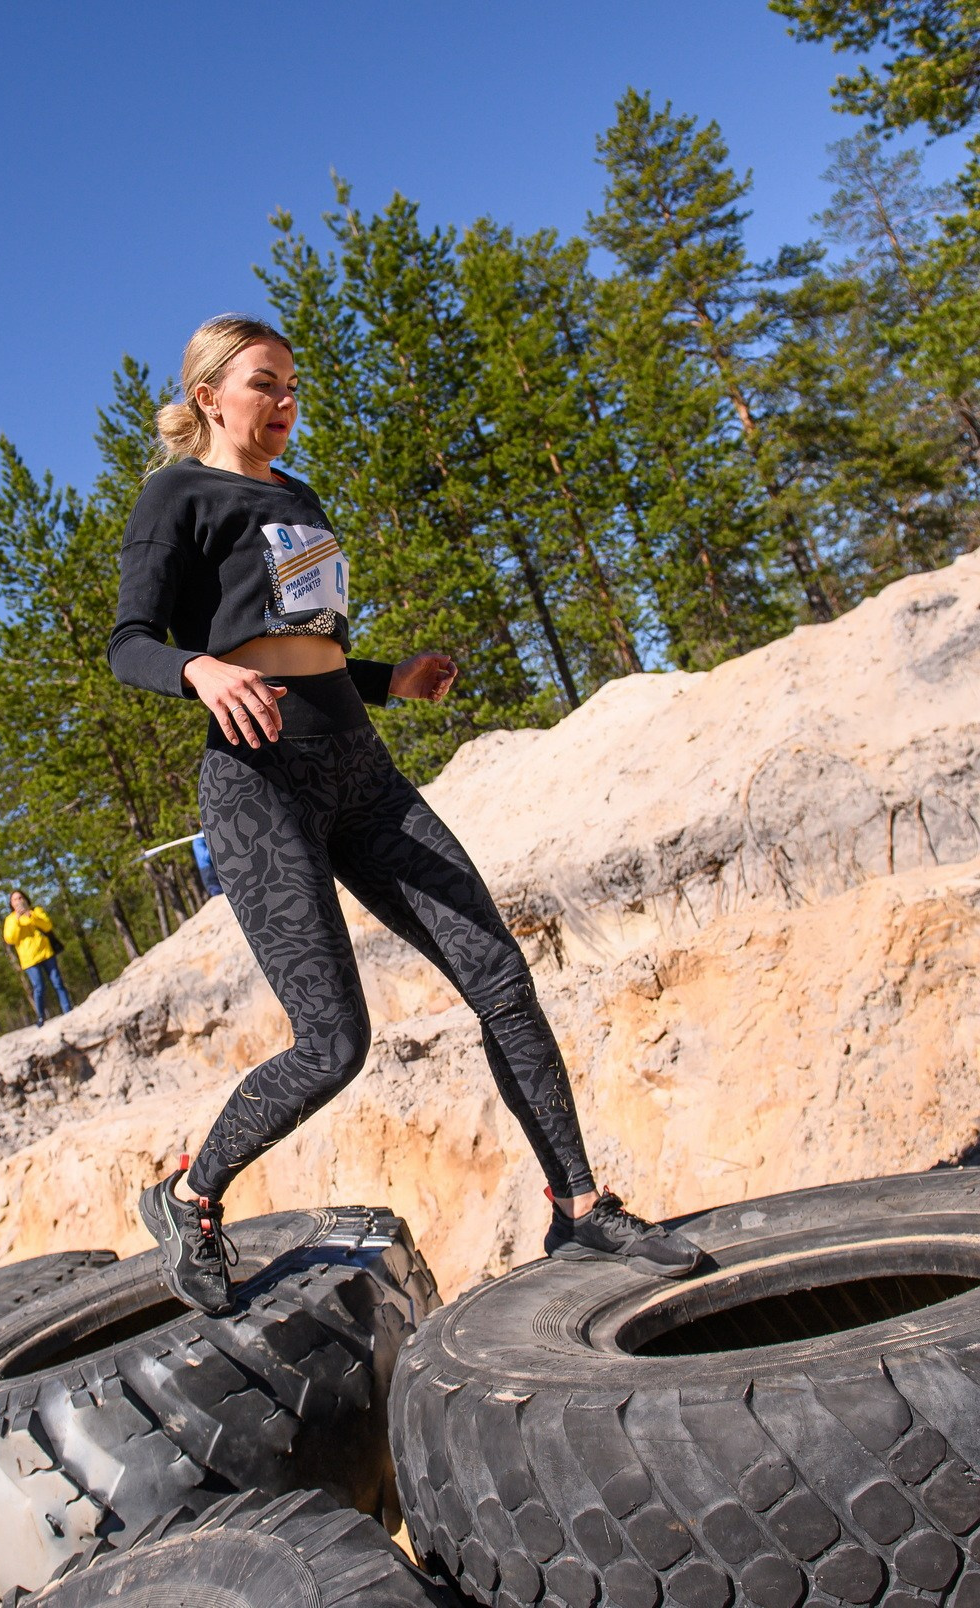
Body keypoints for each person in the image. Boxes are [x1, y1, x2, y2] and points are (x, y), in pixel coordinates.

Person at [108, 314, 704, 1315]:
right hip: (259, 787)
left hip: (361, 770)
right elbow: (129, 642)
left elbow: (306, 646)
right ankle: (188, 1195)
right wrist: (198, 670)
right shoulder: (177, 494)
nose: (285, 402)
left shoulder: (297, 496)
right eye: (264, 384)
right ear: (208, 396)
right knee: (332, 1044)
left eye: (292, 385)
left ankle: (578, 1206)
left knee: (499, 978)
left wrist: (391, 680)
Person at [4, 891, 72, 1025]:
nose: (18, 901)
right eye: (15, 899)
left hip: (46, 953)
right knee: (39, 987)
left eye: (20, 898)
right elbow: (10, 939)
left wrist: (31, 915)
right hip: (29, 959)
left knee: (58, 982)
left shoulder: (36, 911)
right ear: (11, 904)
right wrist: (17, 919)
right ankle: (41, 1017)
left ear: (25, 899)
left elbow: (47, 926)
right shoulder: (10, 920)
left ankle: (68, 1010)